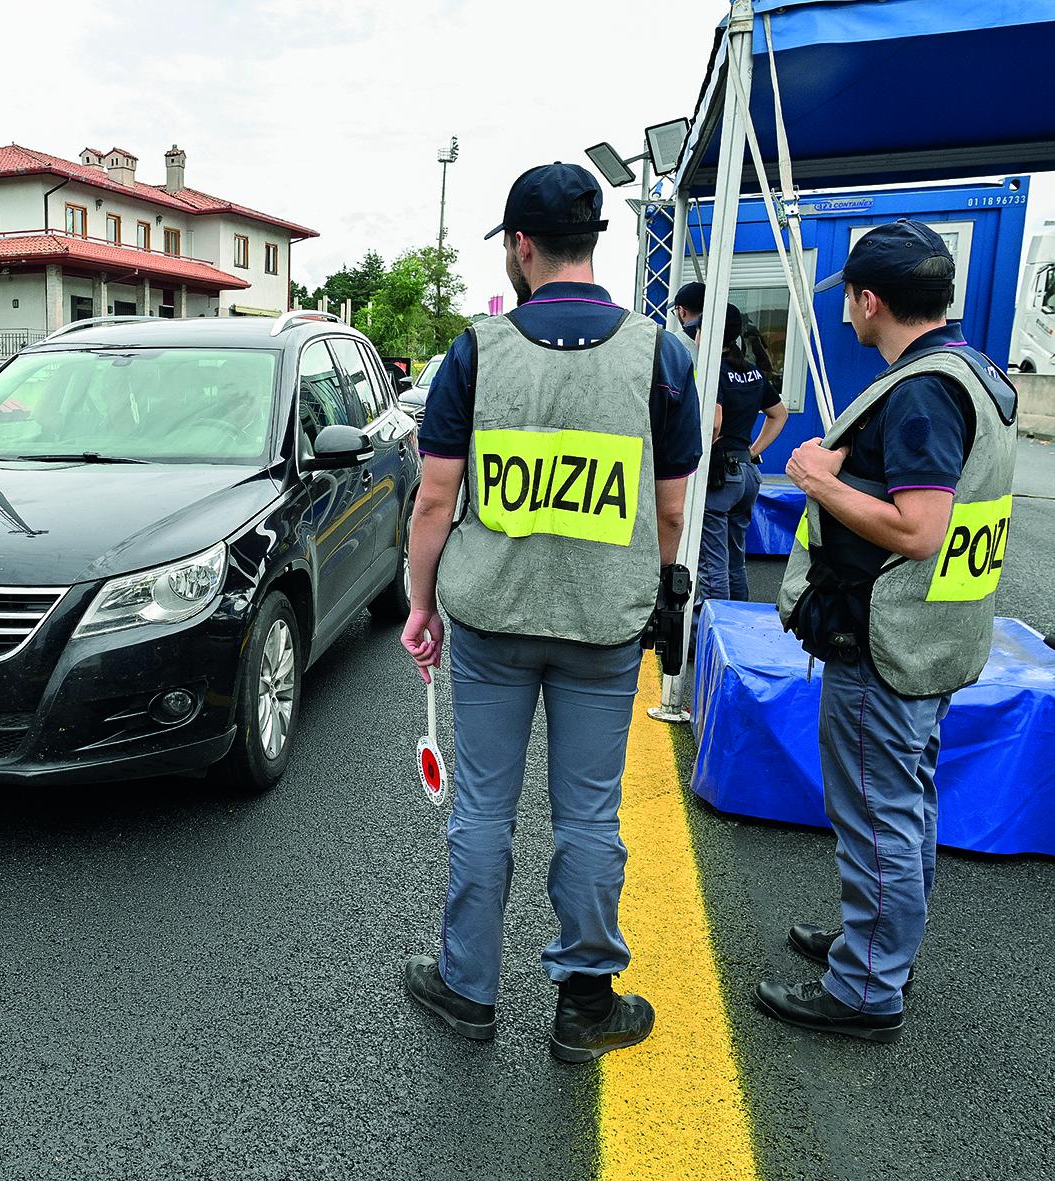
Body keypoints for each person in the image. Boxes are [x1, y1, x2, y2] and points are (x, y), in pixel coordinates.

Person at [399, 162, 702, 1063]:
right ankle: (585, 1003)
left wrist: (421, 605)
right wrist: (649, 588)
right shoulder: (660, 353)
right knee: (590, 816)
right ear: (593, 240)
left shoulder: (476, 352)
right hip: (603, 625)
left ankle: (468, 987)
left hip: (492, 617)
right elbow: (673, 509)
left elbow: (434, 500)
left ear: (521, 246)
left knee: (483, 810)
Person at [763, 220, 1018, 1042]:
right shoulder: (975, 373)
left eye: (849, 298)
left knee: (877, 815)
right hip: (939, 636)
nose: (847, 312)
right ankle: (879, 945)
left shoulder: (920, 393)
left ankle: (866, 986)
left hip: (889, 643)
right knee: (904, 804)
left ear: (869, 301)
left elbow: (919, 529)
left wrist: (816, 479)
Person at [700, 304, 789, 601]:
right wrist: (752, 452)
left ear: (707, 333)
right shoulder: (752, 372)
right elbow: (779, 414)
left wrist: (703, 450)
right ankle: (739, 621)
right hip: (747, 473)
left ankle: (710, 624)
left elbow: (714, 421)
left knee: (712, 564)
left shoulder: (713, 371)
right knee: (734, 562)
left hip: (720, 476)